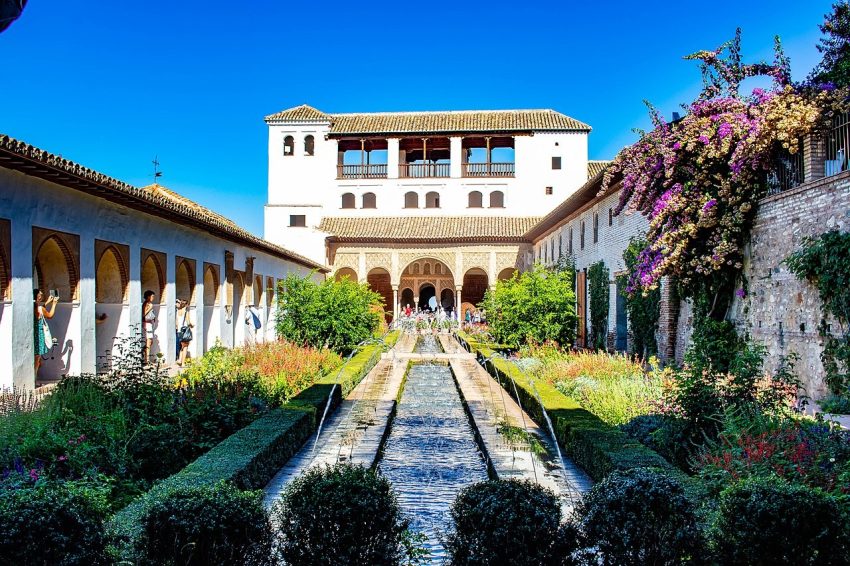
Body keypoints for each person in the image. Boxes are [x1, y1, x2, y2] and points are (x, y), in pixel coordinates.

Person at [33, 289, 58, 374]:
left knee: (35, 356)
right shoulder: (40, 308)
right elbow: (50, 315)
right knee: (37, 358)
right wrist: (54, 304)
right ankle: (34, 376)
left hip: (33, 335)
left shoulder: (32, 307)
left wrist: (47, 302)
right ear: (38, 297)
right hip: (39, 335)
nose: (42, 296)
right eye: (41, 295)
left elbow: (39, 310)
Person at [175, 299, 193, 366]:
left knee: (182, 346)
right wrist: (192, 325)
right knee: (185, 347)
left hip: (179, 331)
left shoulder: (177, 311)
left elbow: (176, 323)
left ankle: (180, 360)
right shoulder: (186, 312)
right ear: (186, 305)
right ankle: (183, 363)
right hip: (185, 331)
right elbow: (188, 322)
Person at [142, 290, 156, 364]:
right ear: (148, 296)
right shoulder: (146, 304)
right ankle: (146, 360)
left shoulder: (149, 303)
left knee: (150, 341)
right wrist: (150, 308)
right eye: (152, 296)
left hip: (149, 323)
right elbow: (143, 314)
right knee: (149, 341)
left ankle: (145, 356)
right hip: (147, 323)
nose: (153, 298)